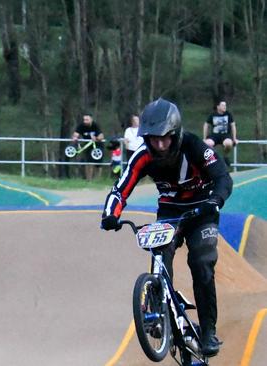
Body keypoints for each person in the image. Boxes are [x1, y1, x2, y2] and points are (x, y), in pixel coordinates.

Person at [100, 98, 232, 357]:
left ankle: (208, 332)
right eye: (153, 139)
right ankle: (159, 312)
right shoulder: (144, 155)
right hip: (170, 211)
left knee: (202, 262)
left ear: (175, 133)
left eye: (165, 138)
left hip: (201, 210)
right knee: (160, 254)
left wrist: (215, 200)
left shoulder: (194, 146)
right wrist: (110, 215)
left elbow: (222, 177)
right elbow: (121, 188)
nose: (159, 145)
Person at [72, 113, 105, 180]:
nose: (85, 121)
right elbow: (76, 134)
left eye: (87, 120)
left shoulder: (95, 125)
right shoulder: (81, 126)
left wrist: (96, 138)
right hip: (88, 145)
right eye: (84, 120)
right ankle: (88, 179)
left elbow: (101, 136)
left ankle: (98, 179)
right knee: (88, 162)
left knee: (98, 164)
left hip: (97, 145)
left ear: (91, 119)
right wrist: (75, 137)